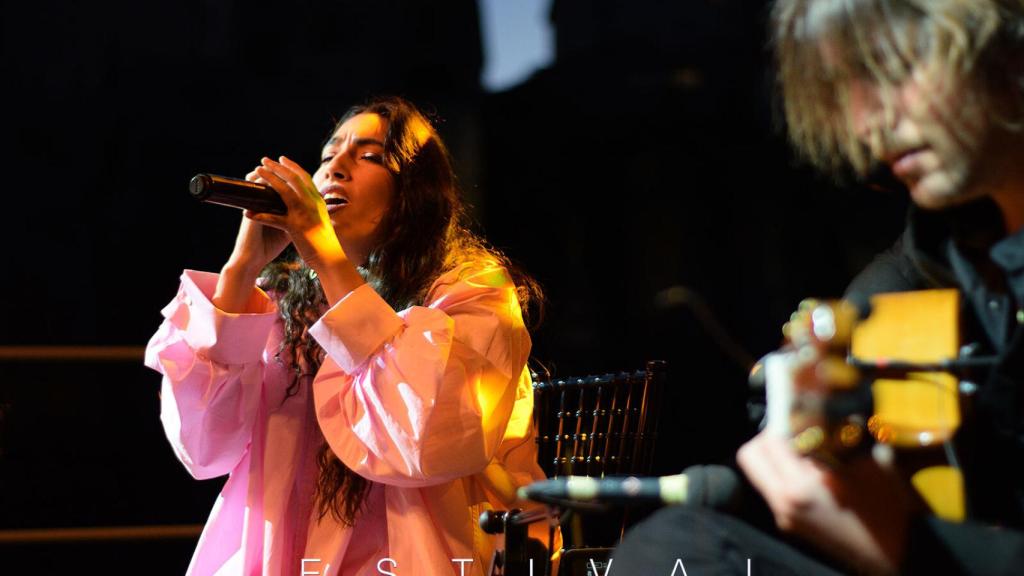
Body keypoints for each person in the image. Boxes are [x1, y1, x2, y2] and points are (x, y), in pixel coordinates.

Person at [612, 1, 1024, 574]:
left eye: (889, 68)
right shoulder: (949, 240)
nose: (865, 123)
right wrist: (803, 381)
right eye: (844, 85)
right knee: (675, 550)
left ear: (1006, 42)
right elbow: (883, 297)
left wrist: (908, 547)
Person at [145, 96, 549, 575]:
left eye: (371, 156)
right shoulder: (284, 300)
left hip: (415, 548)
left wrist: (328, 260)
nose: (336, 167)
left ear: (415, 193)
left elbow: (423, 438)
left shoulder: (470, 288)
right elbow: (204, 445)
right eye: (328, 156)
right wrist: (242, 268)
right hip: (282, 548)